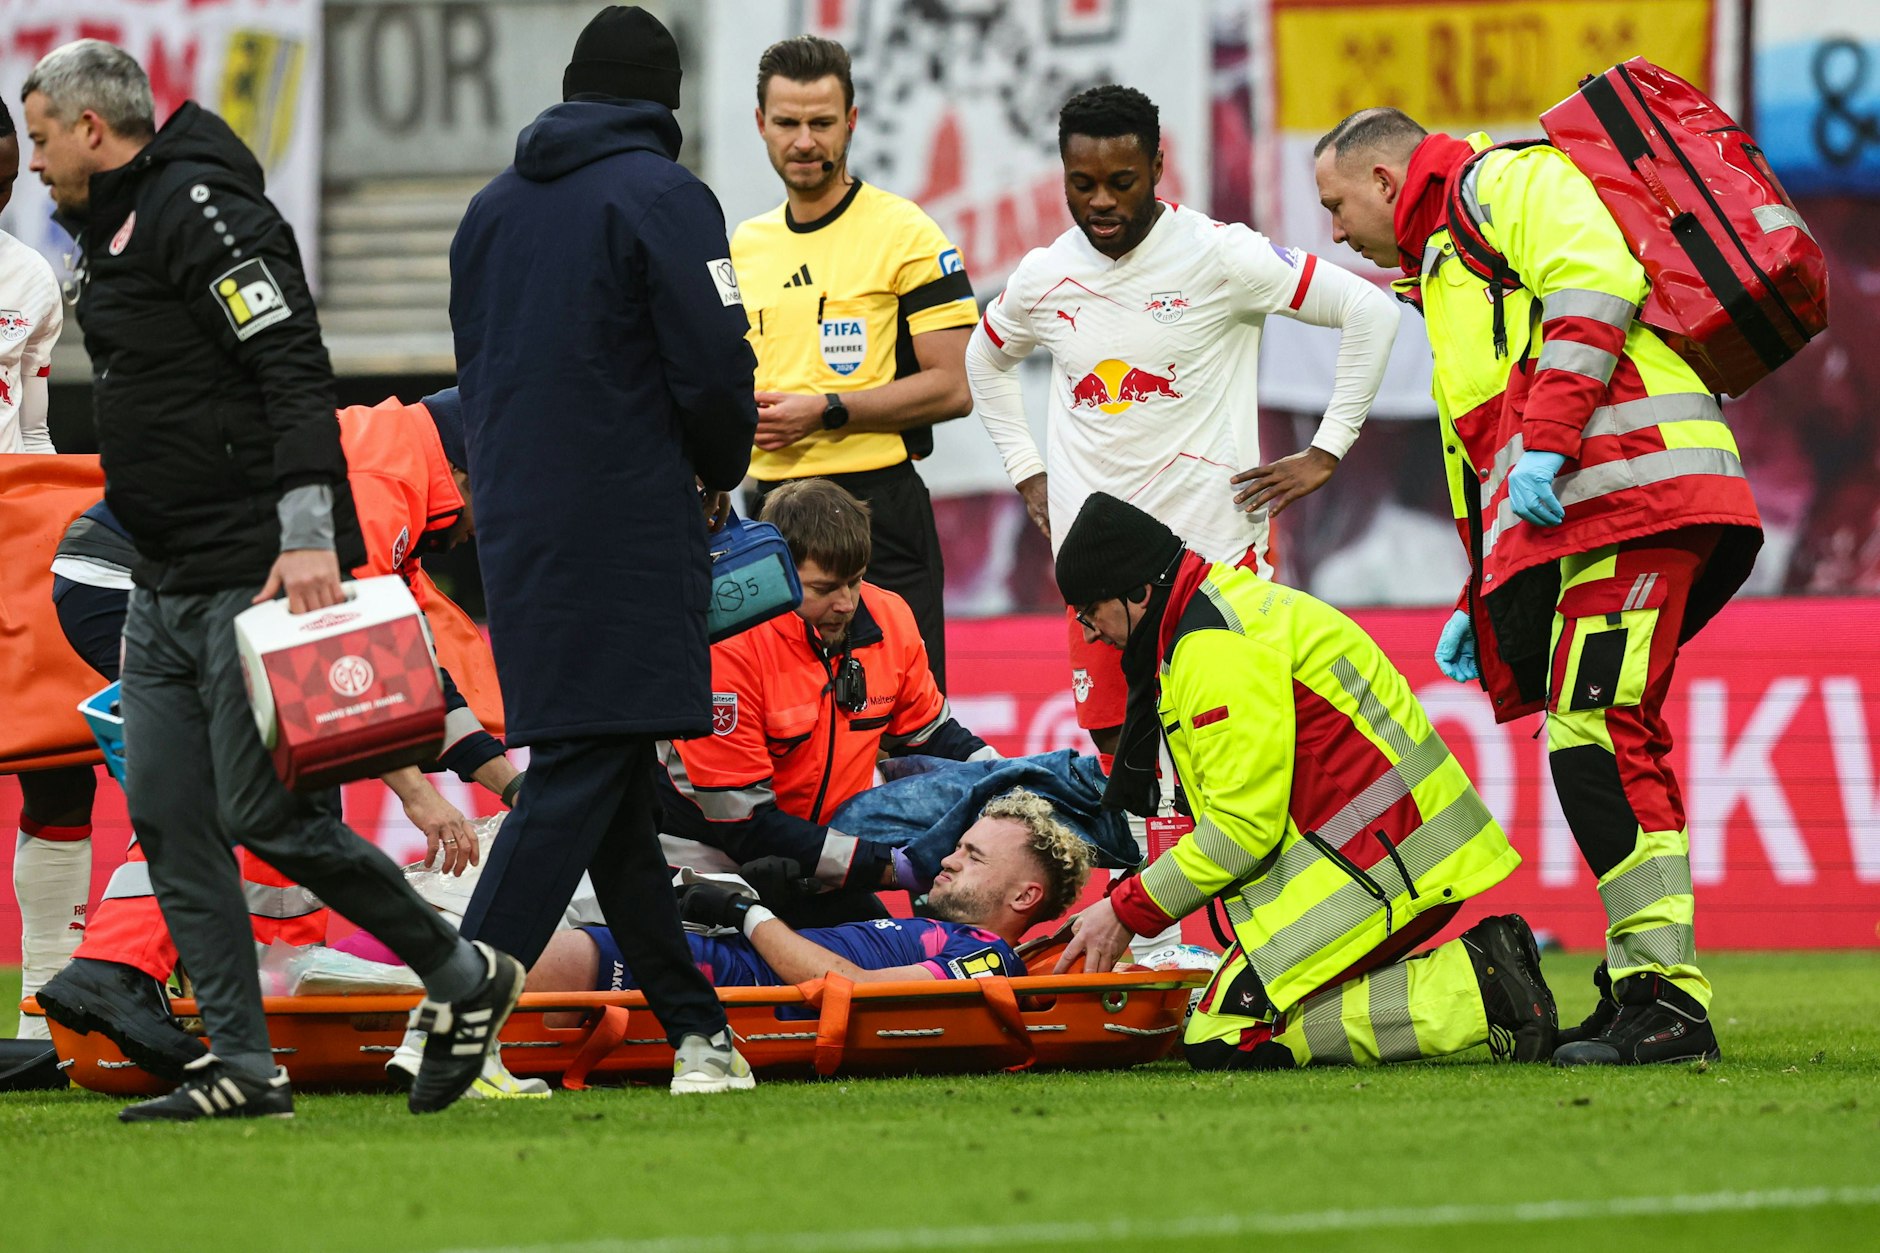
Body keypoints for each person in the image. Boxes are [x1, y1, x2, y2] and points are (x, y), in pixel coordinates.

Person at [22, 39, 523, 1120]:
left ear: (91, 129)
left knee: (271, 816)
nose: (33, 163)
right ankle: (243, 1067)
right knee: (166, 813)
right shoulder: (111, 229)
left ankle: (463, 974)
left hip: (242, 570)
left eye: (41, 139)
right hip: (156, 573)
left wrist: (303, 532)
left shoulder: (205, 210)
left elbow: (292, 364)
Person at [1312, 108, 1762, 1066]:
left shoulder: (1501, 183)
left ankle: (1667, 1002)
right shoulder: (1445, 271)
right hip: (1605, 511)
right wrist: (1481, 594)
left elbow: (1598, 282)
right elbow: (1483, 455)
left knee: (1596, 732)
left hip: (1641, 493)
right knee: (1602, 731)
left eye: (1337, 204)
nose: (1333, 230)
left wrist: (1550, 449)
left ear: (1388, 182)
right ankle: (1650, 987)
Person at [448, 6, 761, 1095]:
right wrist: (718, 467)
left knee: (611, 780)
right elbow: (717, 367)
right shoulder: (666, 197)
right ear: (662, 100)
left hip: (521, 529)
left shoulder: (486, 212)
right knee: (582, 769)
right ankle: (453, 1014)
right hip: (627, 522)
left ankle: (699, 1036)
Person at [34, 390, 518, 1083]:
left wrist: (509, 781)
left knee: (292, 786)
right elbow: (339, 660)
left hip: (138, 574)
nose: (487, 534)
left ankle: (264, 992)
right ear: (474, 475)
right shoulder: (383, 480)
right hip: (134, 581)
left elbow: (411, 672)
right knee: (239, 770)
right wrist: (418, 794)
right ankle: (116, 968)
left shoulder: (400, 470)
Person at [967, 85, 1398, 770]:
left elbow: (1369, 312)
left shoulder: (1220, 256)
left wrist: (1326, 451)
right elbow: (982, 358)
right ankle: (1151, 879)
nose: (1101, 201)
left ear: (1158, 166)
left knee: (1233, 764)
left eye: (1121, 182)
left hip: (1216, 563)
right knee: (1124, 763)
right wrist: (1027, 473)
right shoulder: (1044, 276)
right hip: (1099, 588)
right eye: (1082, 184)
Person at [1050, 493, 1556, 1069]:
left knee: (1226, 1037)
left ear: (1138, 592)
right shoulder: (1218, 617)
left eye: (1090, 612)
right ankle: (1482, 974)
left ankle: (1480, 986)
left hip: (1384, 870)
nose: (1089, 634)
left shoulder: (1212, 649)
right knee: (1239, 1012)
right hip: (1394, 857)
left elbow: (1242, 830)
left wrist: (1124, 911)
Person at [733, 35, 976, 689]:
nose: (804, 141)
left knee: (910, 731)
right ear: (761, 124)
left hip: (875, 511)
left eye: (821, 123)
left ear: (852, 122)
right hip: (766, 519)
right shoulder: (743, 246)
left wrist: (827, 410)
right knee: (776, 719)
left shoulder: (906, 232)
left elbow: (954, 388)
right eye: (787, 123)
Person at [657, 478, 996, 922]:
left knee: (885, 972)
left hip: (818, 863)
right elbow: (743, 823)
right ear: (771, 570)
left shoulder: (890, 616)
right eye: (824, 588)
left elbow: (932, 738)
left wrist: (1012, 782)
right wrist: (889, 867)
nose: (847, 603)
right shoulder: (724, 643)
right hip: (701, 866)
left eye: (856, 580)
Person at [531, 789, 1091, 996]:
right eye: (958, 847)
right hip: (706, 955)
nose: (947, 859)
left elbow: (861, 991)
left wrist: (745, 910)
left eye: (973, 857)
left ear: (1024, 897)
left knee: (495, 964)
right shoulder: (946, 935)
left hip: (718, 975)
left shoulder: (987, 958)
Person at [0, 93, 81, 1040]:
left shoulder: (29, 275)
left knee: (60, 767)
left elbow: (34, 428)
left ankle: (45, 1004)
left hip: (13, 540)